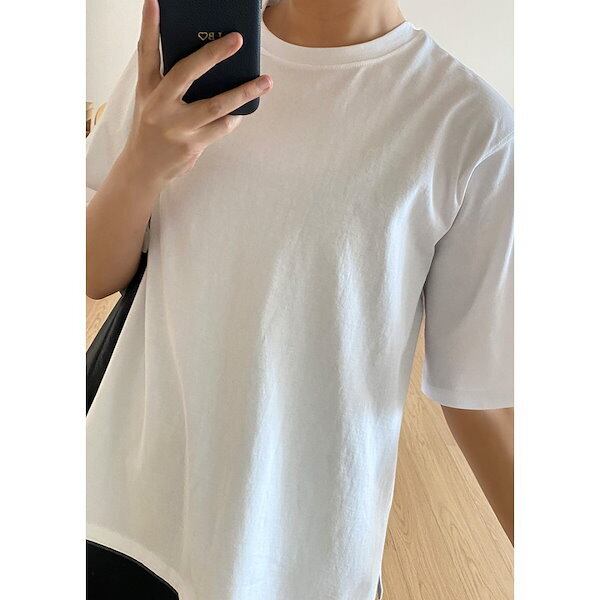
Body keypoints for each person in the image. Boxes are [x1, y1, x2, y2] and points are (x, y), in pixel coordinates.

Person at [86, 0, 514, 598]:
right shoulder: (177, 58)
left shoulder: (469, 126)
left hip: (302, 550)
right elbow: (94, 272)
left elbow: (478, 393)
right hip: (124, 516)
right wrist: (141, 163)